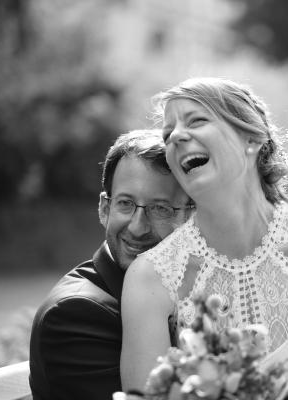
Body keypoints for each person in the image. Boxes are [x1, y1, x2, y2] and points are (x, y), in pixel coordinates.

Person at [121, 77, 288, 400]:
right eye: (167, 133)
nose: (175, 137)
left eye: (196, 121)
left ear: (252, 139)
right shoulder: (150, 277)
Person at [29, 129, 192, 400]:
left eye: (159, 208)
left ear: (189, 216)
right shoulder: (75, 314)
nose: (137, 227)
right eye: (125, 203)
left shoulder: (182, 289)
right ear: (104, 208)